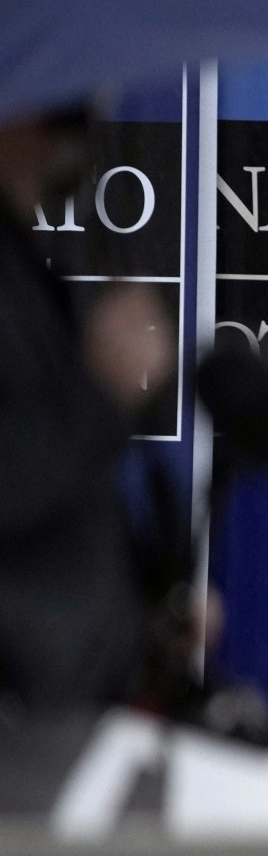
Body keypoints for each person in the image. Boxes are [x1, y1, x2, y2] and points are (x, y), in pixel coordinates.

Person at [0, 108, 175, 716]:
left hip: (65, 707)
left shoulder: (32, 269)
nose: (79, 134)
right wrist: (100, 393)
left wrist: (142, 617)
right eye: (63, 111)